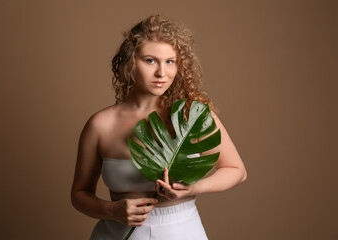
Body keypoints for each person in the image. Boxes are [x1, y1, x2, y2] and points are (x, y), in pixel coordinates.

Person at [71, 14, 247, 240]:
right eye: (150, 60)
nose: (162, 73)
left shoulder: (191, 117)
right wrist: (112, 211)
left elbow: (236, 170)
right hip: (115, 233)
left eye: (170, 61)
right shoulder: (100, 125)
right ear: (129, 62)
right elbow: (79, 194)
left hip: (182, 231)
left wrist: (194, 188)